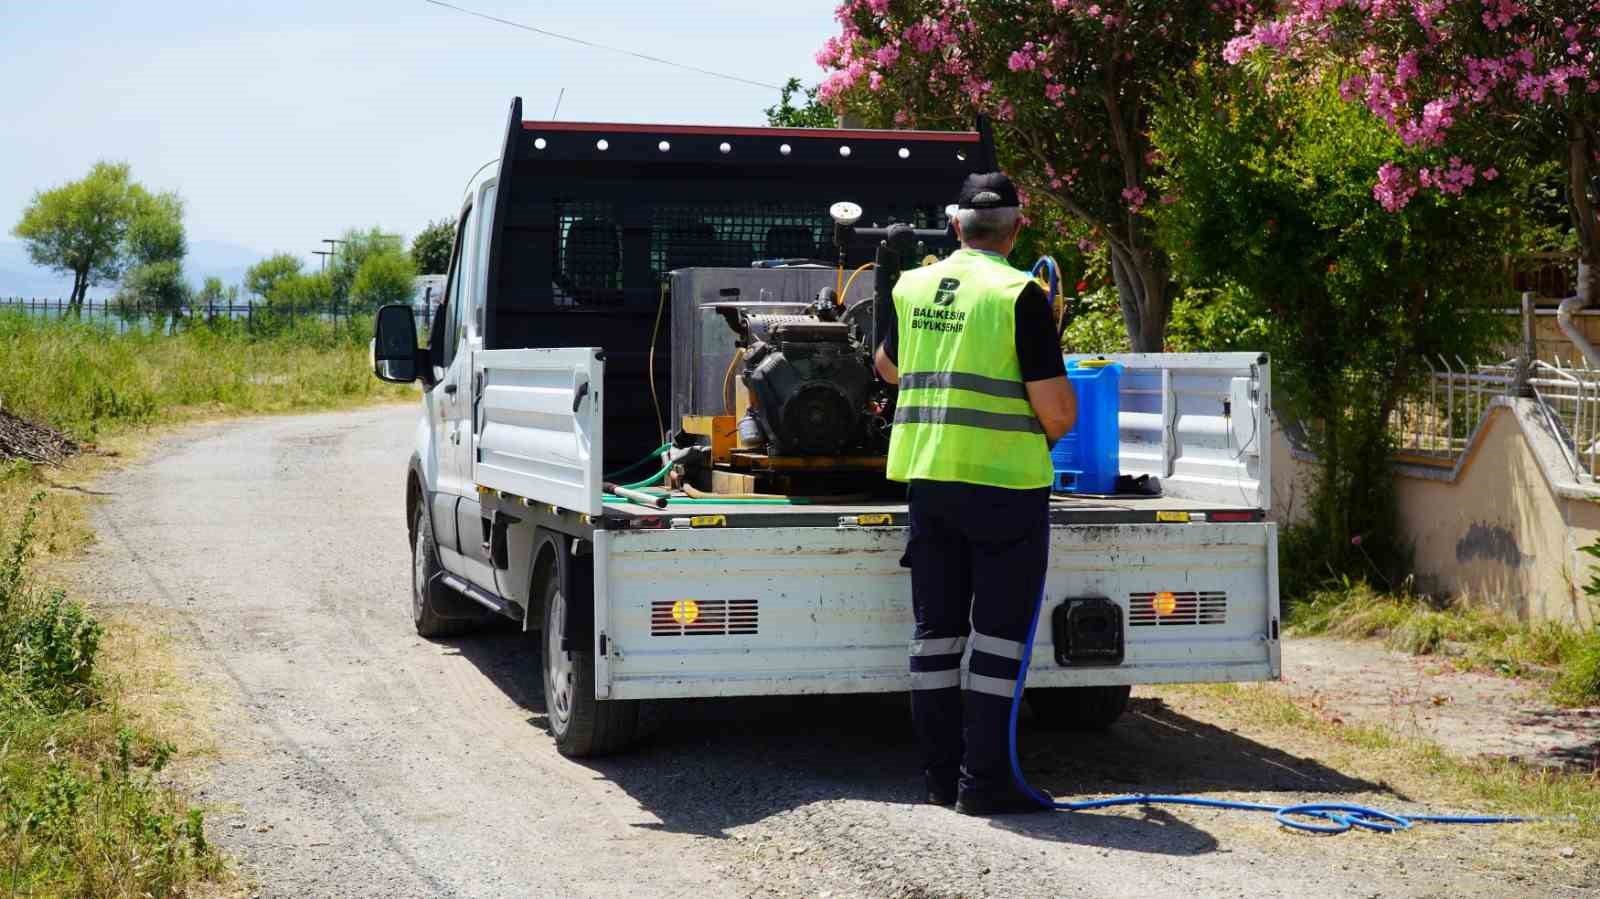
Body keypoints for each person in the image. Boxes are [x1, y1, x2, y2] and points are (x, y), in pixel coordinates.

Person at [874, 172, 1077, 816]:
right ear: (1017, 230)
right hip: (1006, 489)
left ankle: (939, 779)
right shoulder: (1022, 294)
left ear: (956, 227)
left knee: (935, 634)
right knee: (996, 639)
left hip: (929, 480)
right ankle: (984, 783)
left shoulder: (912, 285)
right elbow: (1059, 414)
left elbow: (887, 363)